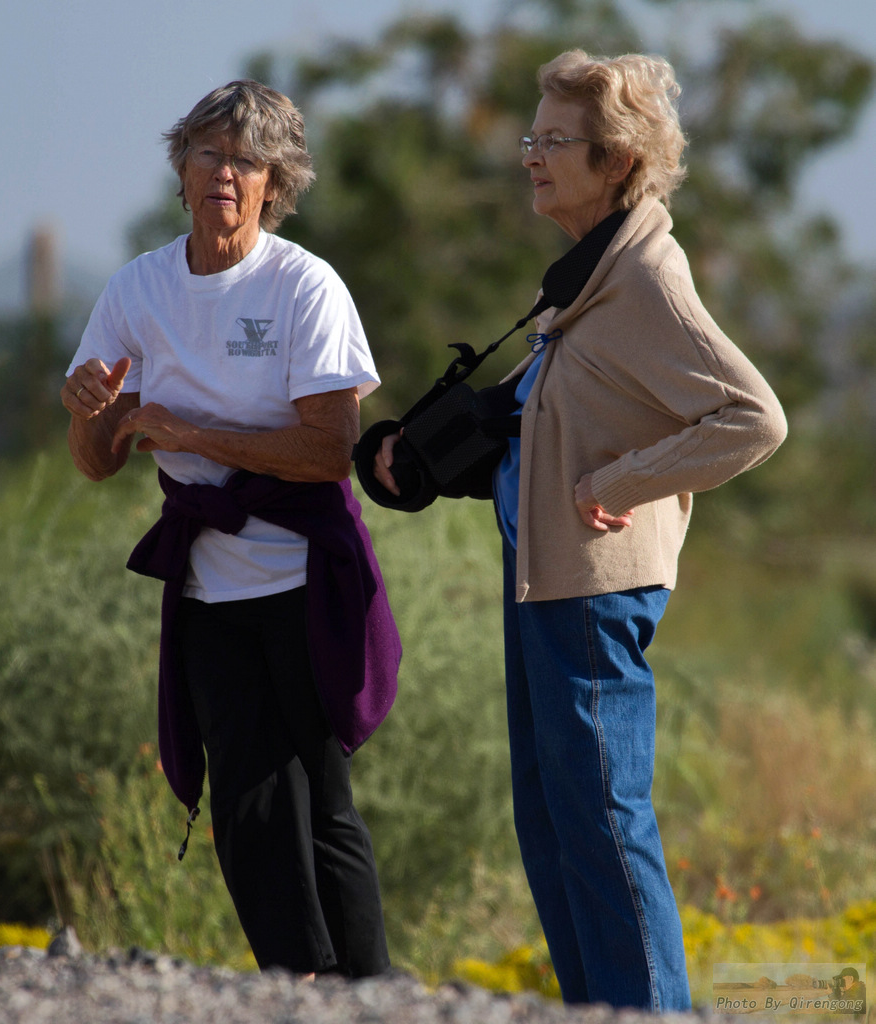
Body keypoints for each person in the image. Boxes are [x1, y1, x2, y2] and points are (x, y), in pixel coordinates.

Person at [373, 50, 787, 1010]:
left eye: (554, 141)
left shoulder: (644, 275)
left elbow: (754, 417)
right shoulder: (584, 280)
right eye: (532, 137)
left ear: (616, 161)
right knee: (554, 825)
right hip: (545, 577)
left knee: (604, 823)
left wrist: (627, 480)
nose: (530, 157)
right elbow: (561, 425)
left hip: (597, 588)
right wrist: (435, 458)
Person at [61, 80, 400, 979]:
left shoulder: (303, 285)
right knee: (247, 807)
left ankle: (368, 993)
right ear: (181, 171)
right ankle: (296, 987)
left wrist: (185, 432)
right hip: (208, 585)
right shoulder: (139, 286)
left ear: (274, 186)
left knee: (321, 801)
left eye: (247, 160)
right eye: (209, 152)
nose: (225, 172)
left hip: (304, 577)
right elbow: (98, 459)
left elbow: (330, 451)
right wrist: (87, 408)